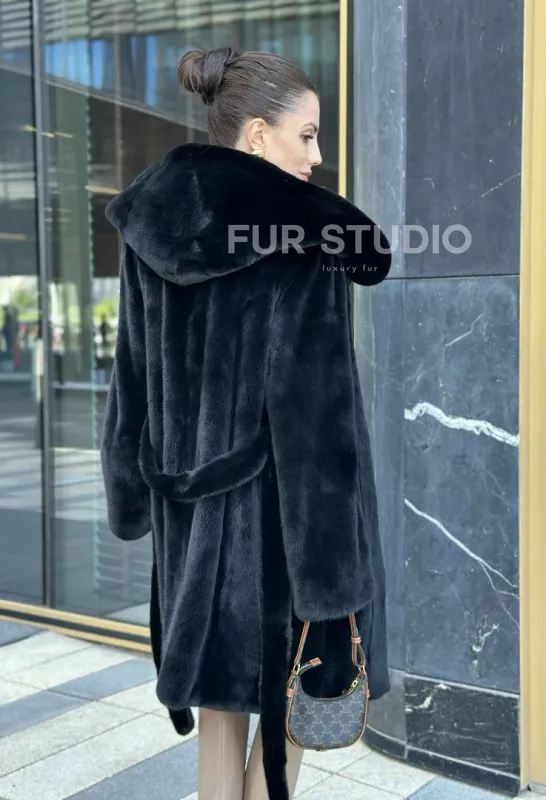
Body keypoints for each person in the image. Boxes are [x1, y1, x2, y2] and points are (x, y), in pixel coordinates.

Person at [101, 45, 392, 800]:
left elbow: (129, 378)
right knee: (296, 706)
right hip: (283, 527)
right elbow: (318, 413)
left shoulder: (147, 219)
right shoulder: (309, 232)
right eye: (308, 135)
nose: (317, 157)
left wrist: (132, 497)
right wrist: (334, 573)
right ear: (259, 134)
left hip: (189, 518)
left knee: (220, 713)